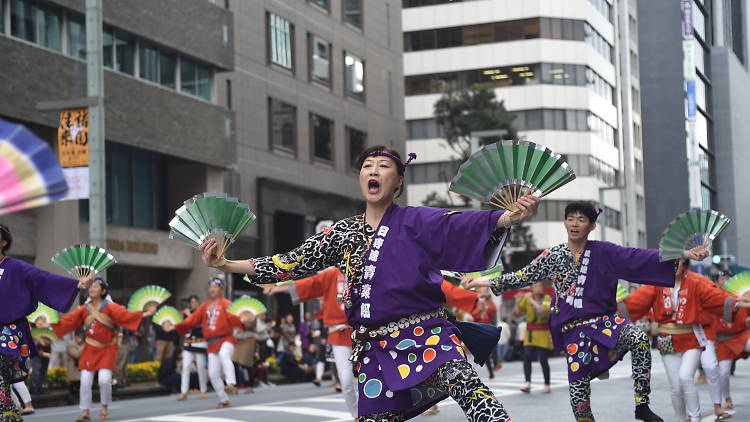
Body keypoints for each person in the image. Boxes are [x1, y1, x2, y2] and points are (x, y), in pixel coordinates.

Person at [199, 145, 540, 421]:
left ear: (398, 182)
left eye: (383, 166)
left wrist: (509, 216)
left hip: (425, 334)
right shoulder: (343, 233)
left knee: (470, 390)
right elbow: (291, 262)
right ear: (360, 178)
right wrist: (226, 263)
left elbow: (463, 226)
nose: (373, 171)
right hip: (373, 347)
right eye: (367, 166)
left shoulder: (417, 220)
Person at [463, 201, 710, 422]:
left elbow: (639, 257)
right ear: (564, 222)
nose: (575, 223)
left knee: (639, 339)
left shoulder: (605, 252)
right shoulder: (555, 254)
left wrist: (684, 253)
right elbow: (523, 276)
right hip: (573, 331)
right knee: (578, 394)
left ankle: (641, 405)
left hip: (605, 322)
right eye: (571, 218)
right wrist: (481, 282)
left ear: (592, 226)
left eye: (582, 219)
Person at [623, 261, 750, 422]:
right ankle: (681, 419)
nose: (674, 267)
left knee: (689, 375)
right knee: (675, 387)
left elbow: (717, 296)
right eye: (671, 263)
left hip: (692, 337)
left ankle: (696, 417)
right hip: (667, 338)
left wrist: (737, 302)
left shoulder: (696, 281)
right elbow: (636, 301)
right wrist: (610, 309)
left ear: (685, 265)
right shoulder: (657, 282)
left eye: (679, 263)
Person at [0, 224, 92, 422]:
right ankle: (11, 413)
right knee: (3, 383)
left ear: (4, 242)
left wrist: (76, 284)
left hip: (10, 329)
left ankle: (9, 411)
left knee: (1, 369)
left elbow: (42, 279)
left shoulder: (16, 267)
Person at [47, 278, 154, 422]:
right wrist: (48, 325)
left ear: (103, 291)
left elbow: (126, 315)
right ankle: (85, 411)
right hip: (90, 348)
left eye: (95, 287)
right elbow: (68, 321)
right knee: (85, 381)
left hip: (107, 349)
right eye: (90, 287)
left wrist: (145, 314)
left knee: (104, 380)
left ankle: (104, 406)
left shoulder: (111, 307)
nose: (91, 289)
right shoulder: (84, 309)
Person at [265, 267, 358, 416]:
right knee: (346, 382)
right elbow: (309, 284)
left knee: (368, 377)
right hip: (338, 333)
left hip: (365, 331)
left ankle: (373, 413)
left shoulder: (365, 266)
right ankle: (357, 415)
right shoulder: (331, 274)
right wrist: (278, 288)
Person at [171, 278, 243, 409]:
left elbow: (236, 318)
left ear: (221, 289)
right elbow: (192, 320)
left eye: (215, 286)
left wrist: (244, 321)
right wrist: (176, 326)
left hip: (226, 339)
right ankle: (224, 399)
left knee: (224, 355)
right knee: (212, 373)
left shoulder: (227, 304)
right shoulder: (204, 306)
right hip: (211, 343)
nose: (212, 289)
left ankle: (231, 383)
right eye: (210, 286)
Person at [512, 282, 552, 394]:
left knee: (543, 359)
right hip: (529, 332)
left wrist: (530, 300)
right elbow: (517, 314)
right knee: (527, 357)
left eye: (539, 286)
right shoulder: (527, 298)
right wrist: (517, 302)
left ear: (542, 288)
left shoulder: (547, 298)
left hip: (542, 332)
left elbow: (542, 311)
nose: (537, 288)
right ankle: (527, 383)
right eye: (534, 286)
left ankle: (547, 384)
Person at [177, 295, 208, 400]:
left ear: (198, 303)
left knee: (200, 367)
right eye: (191, 302)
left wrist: (189, 315)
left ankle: (203, 390)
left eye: (195, 302)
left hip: (199, 343)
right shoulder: (186, 314)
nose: (193, 304)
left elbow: (199, 327)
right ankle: (184, 391)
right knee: (185, 366)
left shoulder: (202, 313)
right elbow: (185, 326)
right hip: (188, 343)